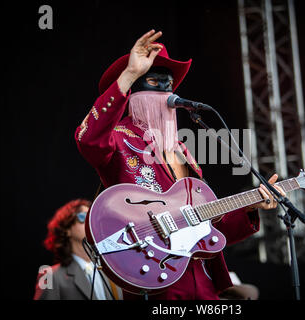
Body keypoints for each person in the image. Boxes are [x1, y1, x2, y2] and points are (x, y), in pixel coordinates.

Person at [74, 29, 285, 300]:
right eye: (153, 82)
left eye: (170, 86)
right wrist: (129, 75)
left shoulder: (184, 154)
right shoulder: (120, 139)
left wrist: (252, 205)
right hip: (153, 277)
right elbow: (88, 140)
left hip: (204, 282)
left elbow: (211, 228)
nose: (166, 95)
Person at [33, 199, 122, 300]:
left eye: (91, 218)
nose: (89, 222)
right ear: (66, 230)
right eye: (83, 217)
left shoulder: (112, 270)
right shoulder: (48, 275)